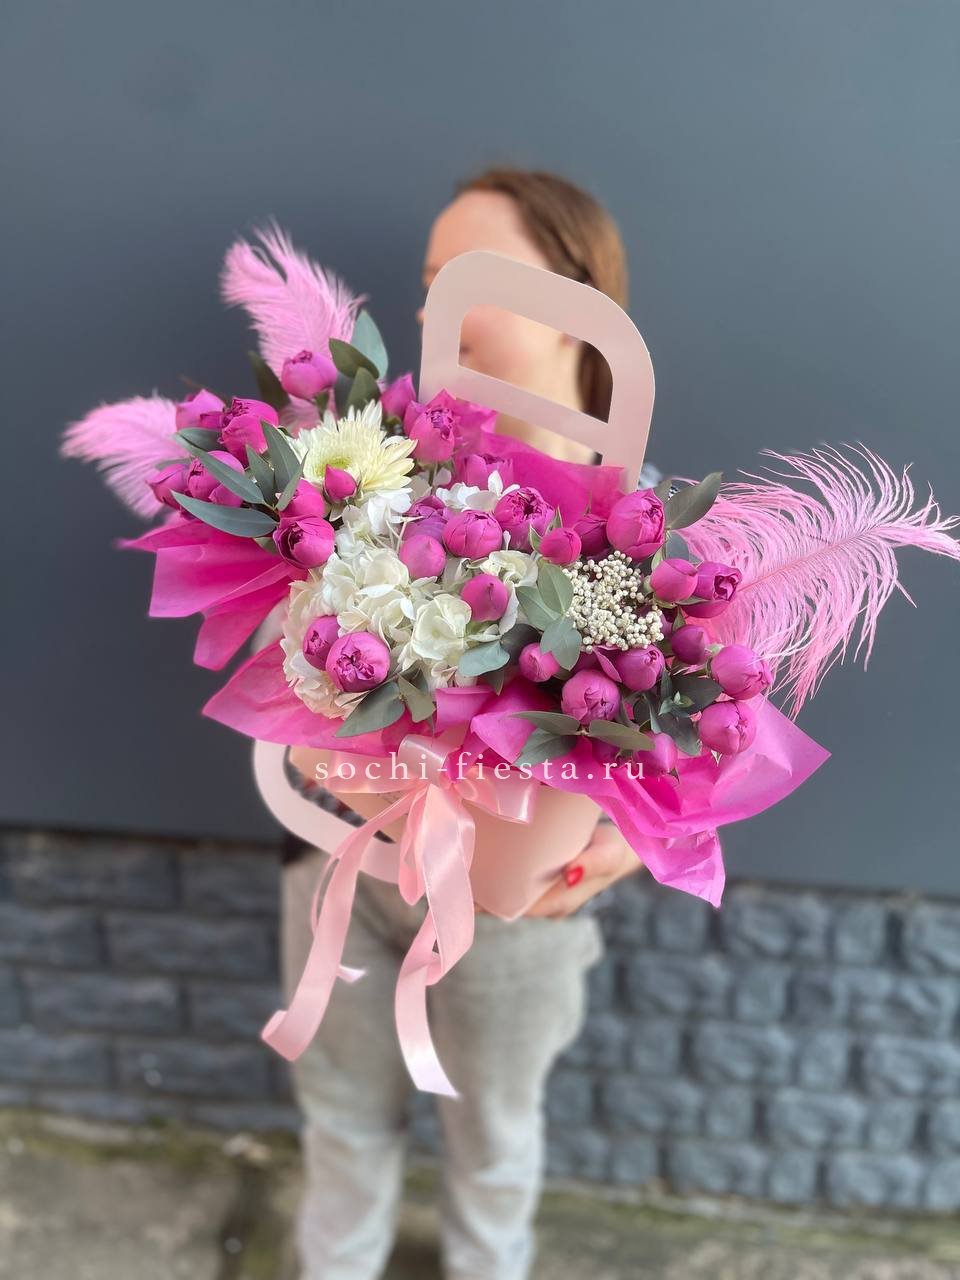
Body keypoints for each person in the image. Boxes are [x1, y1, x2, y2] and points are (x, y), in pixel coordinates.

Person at [280, 168, 659, 1280]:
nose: (434, 304)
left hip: (517, 919)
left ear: (578, 301)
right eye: (429, 279)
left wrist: (635, 839)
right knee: (340, 1130)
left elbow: (692, 738)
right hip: (345, 869)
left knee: (493, 1147)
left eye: (472, 276)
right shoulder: (380, 484)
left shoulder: (649, 526)